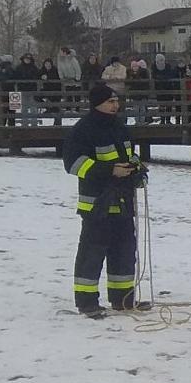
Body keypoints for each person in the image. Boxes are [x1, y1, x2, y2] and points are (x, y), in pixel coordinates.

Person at [62, 83, 144, 317]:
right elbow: (73, 163)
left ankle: (123, 299)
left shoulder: (120, 127)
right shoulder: (84, 129)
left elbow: (130, 154)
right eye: (110, 101)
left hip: (122, 200)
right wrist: (109, 170)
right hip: (96, 203)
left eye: (117, 101)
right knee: (92, 253)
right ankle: (87, 301)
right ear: (97, 103)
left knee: (124, 251)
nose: (115, 105)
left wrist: (137, 169)